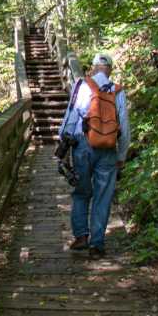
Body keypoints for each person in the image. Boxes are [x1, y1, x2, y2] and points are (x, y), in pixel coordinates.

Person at [58, 52, 130, 259]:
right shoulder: (117, 91)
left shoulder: (82, 85)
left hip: (82, 145)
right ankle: (96, 245)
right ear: (110, 70)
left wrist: (62, 147)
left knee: (82, 192)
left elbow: (70, 117)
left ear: (94, 67)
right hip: (108, 148)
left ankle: (81, 236)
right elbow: (124, 126)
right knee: (103, 196)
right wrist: (121, 155)